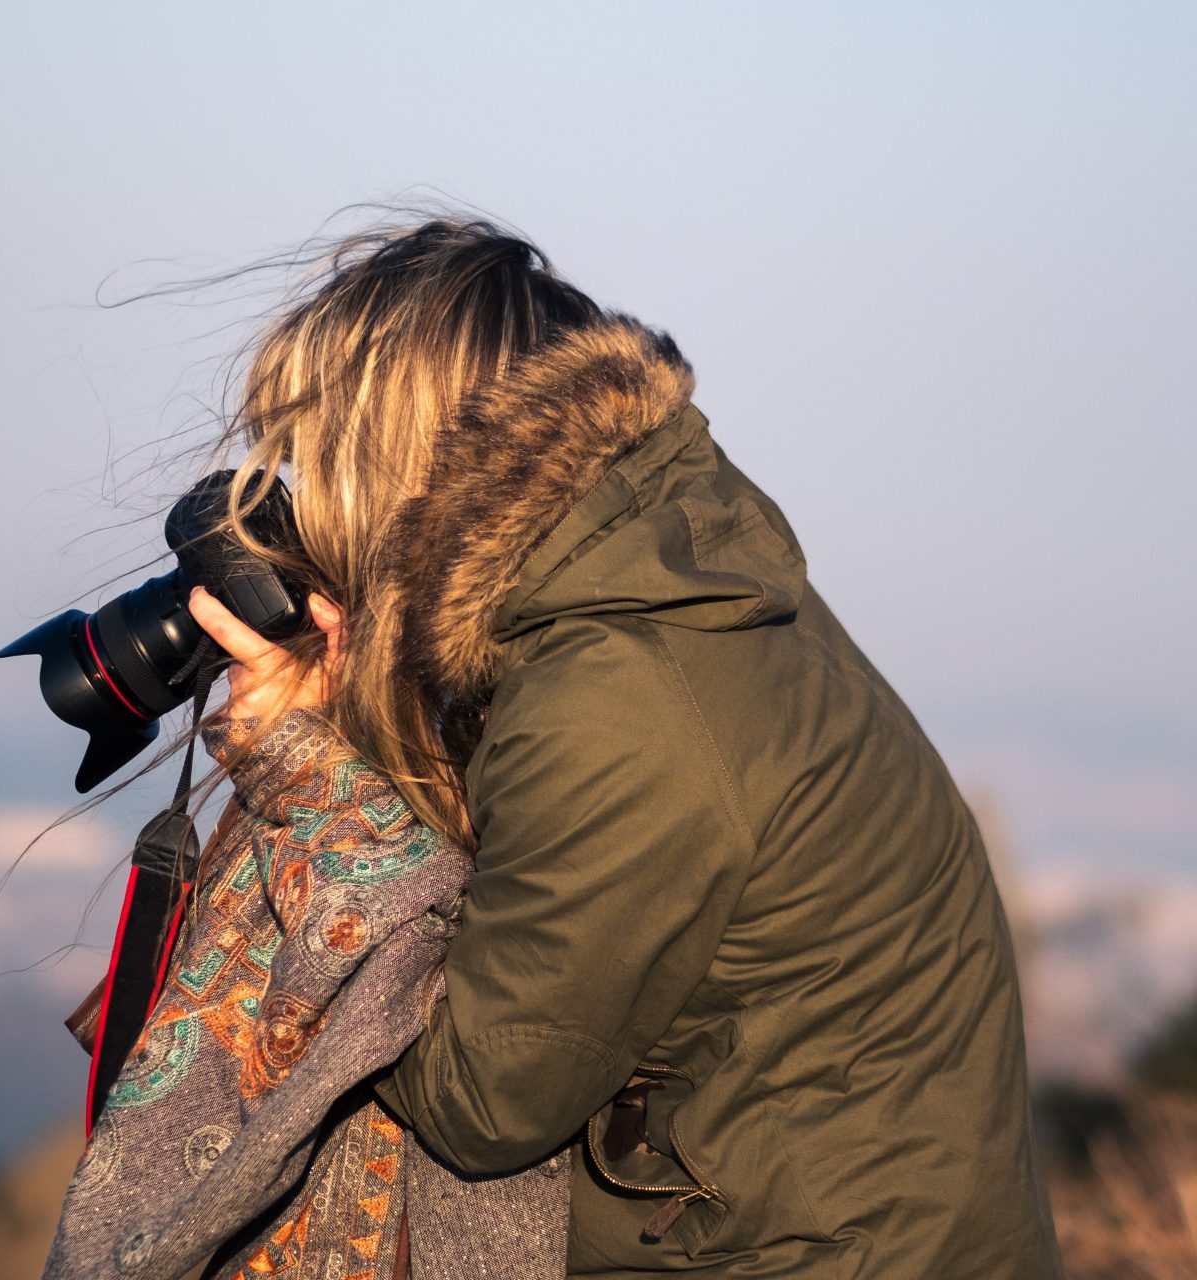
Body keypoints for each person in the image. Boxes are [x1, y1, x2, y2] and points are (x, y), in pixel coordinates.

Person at [159, 215, 1064, 1277]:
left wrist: (306, 775)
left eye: (322, 463)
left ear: (399, 456)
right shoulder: (651, 576)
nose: (312, 507)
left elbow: (479, 1098)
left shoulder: (618, 691)